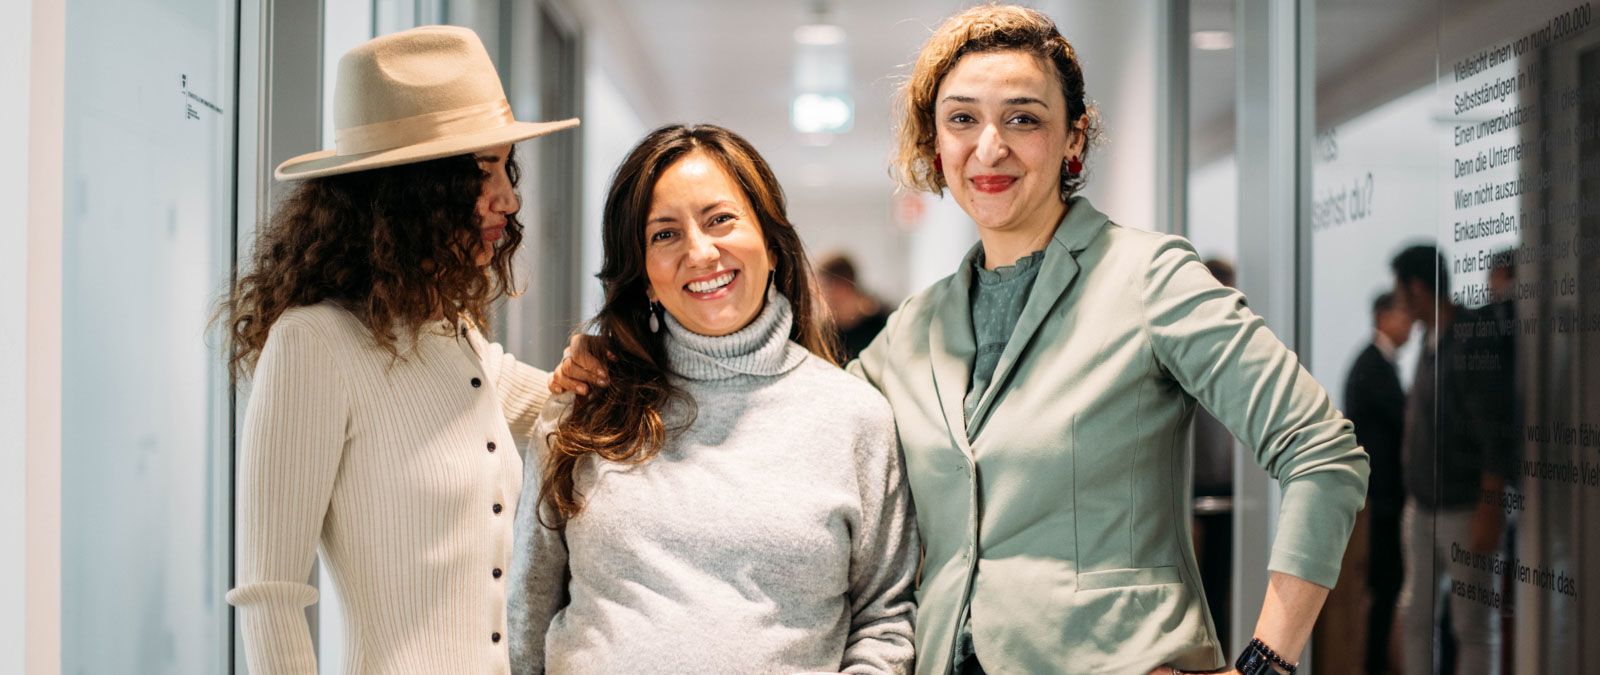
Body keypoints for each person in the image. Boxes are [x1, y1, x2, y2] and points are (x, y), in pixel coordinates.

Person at [553, 6, 1368, 674]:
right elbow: (781, 407)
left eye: (1024, 118)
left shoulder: (1150, 279)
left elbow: (1323, 451)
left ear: (1073, 138)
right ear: (933, 149)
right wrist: (623, 362)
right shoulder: (914, 330)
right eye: (962, 120)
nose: (991, 146)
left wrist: (1267, 660)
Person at [220, 26, 577, 673]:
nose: (510, 198)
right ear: (412, 191)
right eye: (481, 171)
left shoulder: (453, 334)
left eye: (506, 166)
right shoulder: (314, 345)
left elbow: (566, 401)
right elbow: (268, 596)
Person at [507, 124, 917, 674]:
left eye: (720, 219)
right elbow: (527, 612)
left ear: (772, 245)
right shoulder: (587, 403)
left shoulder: (854, 419)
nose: (700, 252)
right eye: (664, 234)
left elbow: (885, 620)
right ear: (645, 278)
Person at [1391, 244, 1515, 675]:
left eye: (1400, 290)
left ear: (1417, 288)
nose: (1398, 300)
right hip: (1424, 507)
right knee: (1417, 620)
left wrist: (1490, 505)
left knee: (1471, 627)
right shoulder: (1431, 342)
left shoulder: (1468, 340)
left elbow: (1496, 428)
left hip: (1464, 508)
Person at [1343, 292, 1412, 674]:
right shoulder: (1373, 366)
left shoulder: (1375, 364)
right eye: (1403, 313)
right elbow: (1402, 421)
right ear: (1383, 316)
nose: (1411, 323)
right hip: (1381, 500)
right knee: (1384, 589)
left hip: (1381, 498)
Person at [818, 253, 894, 360]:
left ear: (842, 286)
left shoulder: (883, 324)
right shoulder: (824, 333)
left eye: (824, 287)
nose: (821, 295)